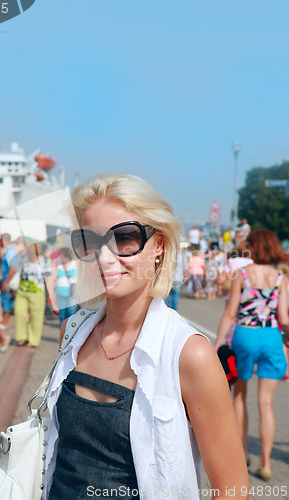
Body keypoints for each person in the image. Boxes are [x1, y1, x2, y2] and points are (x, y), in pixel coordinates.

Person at [45, 173, 248, 500]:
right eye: (89, 241)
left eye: (124, 237)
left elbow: (233, 490)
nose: (104, 257)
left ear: (160, 246)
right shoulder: (75, 333)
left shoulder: (188, 354)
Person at [215, 229, 289, 481]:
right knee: (266, 403)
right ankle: (267, 463)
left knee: (239, 396)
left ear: (254, 247)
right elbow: (284, 318)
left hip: (244, 336)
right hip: (270, 337)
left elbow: (229, 313)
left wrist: (216, 346)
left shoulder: (241, 274)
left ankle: (243, 452)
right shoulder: (281, 277)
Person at [14, 243, 51, 347]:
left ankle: (33, 341)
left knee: (36, 316)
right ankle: (21, 337)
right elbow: (17, 269)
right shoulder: (24, 258)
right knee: (19, 313)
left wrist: (51, 294)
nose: (31, 255)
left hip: (38, 291)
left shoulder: (44, 260)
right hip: (22, 290)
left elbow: (48, 277)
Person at [50, 247, 78, 324]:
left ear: (66, 255)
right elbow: (53, 278)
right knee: (62, 315)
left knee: (71, 314)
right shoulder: (58, 264)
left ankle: (70, 331)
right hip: (60, 292)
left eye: (61, 255)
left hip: (71, 292)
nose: (60, 257)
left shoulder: (75, 264)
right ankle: (62, 332)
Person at [0, 233, 19, 329]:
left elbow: (13, 267)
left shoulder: (10, 251)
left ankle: (5, 323)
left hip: (8, 280)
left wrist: (6, 282)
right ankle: (4, 321)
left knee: (7, 301)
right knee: (8, 300)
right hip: (6, 279)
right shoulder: (8, 251)